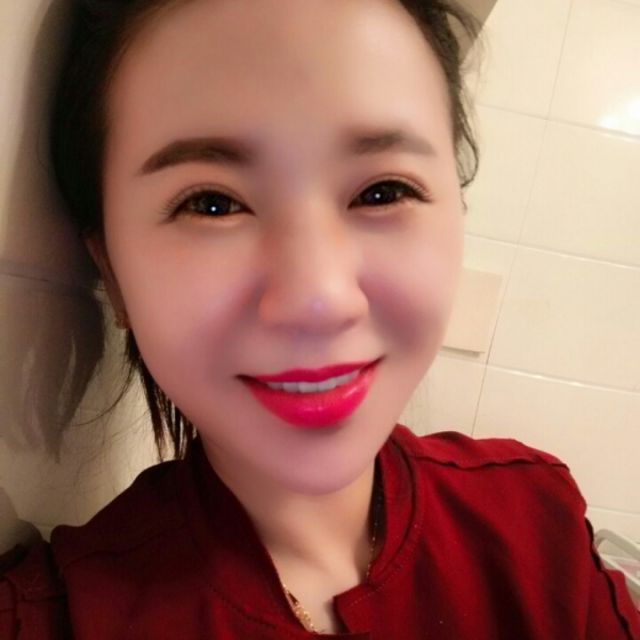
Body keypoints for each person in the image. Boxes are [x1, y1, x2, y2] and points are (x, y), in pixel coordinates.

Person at [1, 0, 639, 637]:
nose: (320, 300)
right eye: (212, 204)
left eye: (383, 192)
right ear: (112, 272)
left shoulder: (538, 531)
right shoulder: (57, 617)